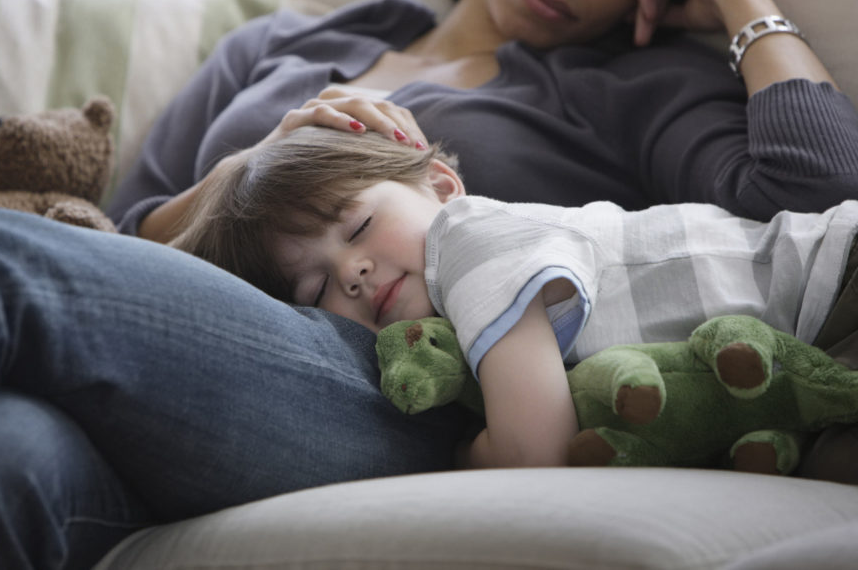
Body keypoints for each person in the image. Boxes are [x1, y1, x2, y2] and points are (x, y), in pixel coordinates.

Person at [0, 0, 857, 568]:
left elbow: (820, 188)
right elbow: (105, 253)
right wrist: (247, 167)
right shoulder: (286, 45)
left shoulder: (620, 85)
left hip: (387, 388)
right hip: (153, 383)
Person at [171, 124, 858, 471]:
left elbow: (537, 448)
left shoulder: (468, 241)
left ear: (439, 186)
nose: (352, 270)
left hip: (833, 281)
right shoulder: (453, 340)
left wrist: (467, 452)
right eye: (315, 286)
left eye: (358, 226)